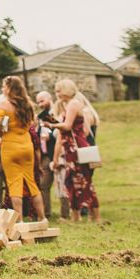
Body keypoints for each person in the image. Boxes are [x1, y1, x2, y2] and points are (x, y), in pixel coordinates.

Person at [0, 76, 45, 222]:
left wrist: (4, 128)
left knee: (14, 184)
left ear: (9, 88)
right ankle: (42, 217)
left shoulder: (4, 104)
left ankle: (20, 220)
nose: (2, 89)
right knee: (32, 182)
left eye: (4, 86)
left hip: (10, 146)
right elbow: (33, 123)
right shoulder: (28, 104)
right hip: (27, 146)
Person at [52, 79, 100, 222]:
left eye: (58, 90)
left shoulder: (74, 104)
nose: (57, 94)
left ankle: (95, 216)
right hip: (71, 148)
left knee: (84, 181)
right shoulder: (71, 105)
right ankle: (76, 216)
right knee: (71, 182)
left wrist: (52, 124)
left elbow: (67, 126)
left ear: (66, 90)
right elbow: (84, 130)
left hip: (76, 149)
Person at [35, 91, 57, 217]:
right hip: (45, 155)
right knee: (43, 185)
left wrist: (50, 137)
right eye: (38, 102)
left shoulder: (57, 111)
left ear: (50, 98)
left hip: (58, 153)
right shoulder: (41, 116)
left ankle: (68, 213)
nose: (40, 104)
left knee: (62, 184)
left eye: (42, 101)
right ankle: (46, 213)